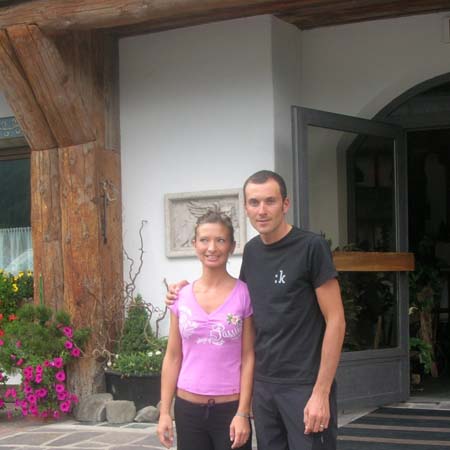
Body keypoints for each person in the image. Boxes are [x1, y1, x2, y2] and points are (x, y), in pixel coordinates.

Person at [167, 170, 346, 450]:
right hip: (263, 387)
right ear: (246, 208)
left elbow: (336, 320)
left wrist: (321, 392)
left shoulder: (311, 247)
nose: (262, 210)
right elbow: (234, 300)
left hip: (303, 385)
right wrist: (184, 291)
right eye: (254, 202)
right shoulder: (252, 252)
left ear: (285, 204)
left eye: (270, 201)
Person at [157, 211, 255, 450]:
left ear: (232, 246)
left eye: (220, 240)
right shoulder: (180, 296)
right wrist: (165, 412)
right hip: (188, 410)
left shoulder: (244, 294)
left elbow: (248, 356)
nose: (212, 248)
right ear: (194, 244)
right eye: (204, 240)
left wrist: (243, 412)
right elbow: (173, 356)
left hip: (230, 410)